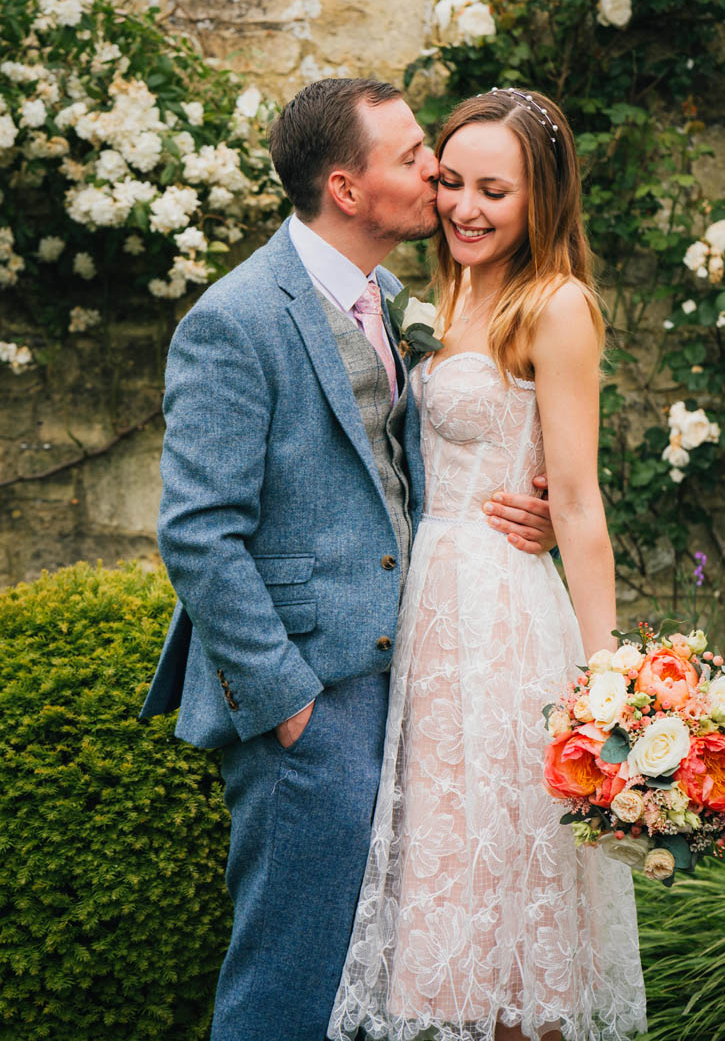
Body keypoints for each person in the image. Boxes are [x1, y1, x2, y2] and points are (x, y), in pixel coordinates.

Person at [139, 78, 556, 1041]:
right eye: (413, 158)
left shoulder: (394, 299)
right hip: (309, 698)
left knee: (370, 987)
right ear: (347, 188)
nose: (437, 173)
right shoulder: (235, 320)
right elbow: (199, 530)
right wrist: (289, 705)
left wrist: (520, 503)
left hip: (411, 682)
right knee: (290, 981)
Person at [329, 89, 648, 1041]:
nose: (466, 206)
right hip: (430, 610)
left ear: (540, 200)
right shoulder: (439, 291)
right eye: (452, 182)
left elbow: (581, 501)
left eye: (494, 191)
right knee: (448, 881)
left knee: (513, 882)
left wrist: (613, 684)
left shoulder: (556, 305)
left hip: (504, 617)